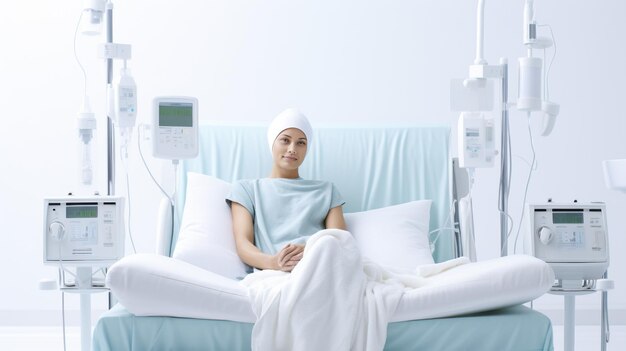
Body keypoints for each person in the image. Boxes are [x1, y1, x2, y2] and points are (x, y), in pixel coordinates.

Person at [226, 108, 347, 272]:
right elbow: (243, 244)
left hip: (319, 265)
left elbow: (339, 241)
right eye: (285, 140)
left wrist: (309, 253)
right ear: (272, 143)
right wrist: (274, 262)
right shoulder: (247, 189)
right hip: (274, 272)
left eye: (301, 143)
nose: (292, 149)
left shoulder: (327, 191)